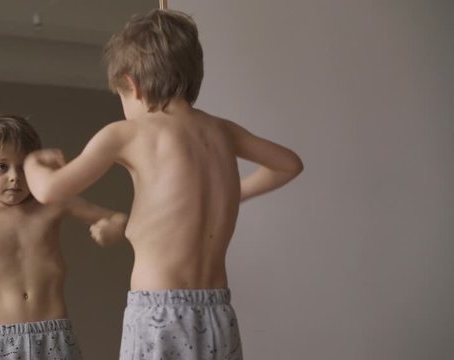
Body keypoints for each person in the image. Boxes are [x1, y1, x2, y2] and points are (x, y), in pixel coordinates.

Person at [23, 9, 304, 360]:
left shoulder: (128, 133)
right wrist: (234, 193)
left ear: (134, 85)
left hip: (159, 312)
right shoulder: (223, 131)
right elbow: (289, 164)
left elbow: (50, 191)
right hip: (217, 310)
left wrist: (33, 163)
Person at [0, 114, 128, 360]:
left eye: (24, 166)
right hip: (1, 339)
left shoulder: (51, 203)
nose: (14, 176)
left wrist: (112, 228)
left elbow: (120, 219)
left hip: (54, 333)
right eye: (2, 166)